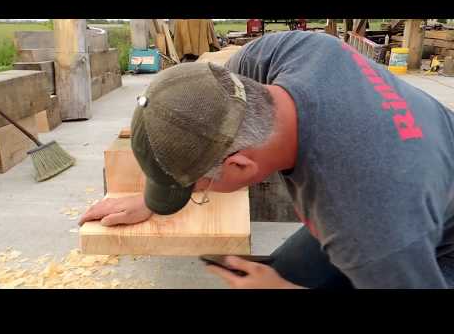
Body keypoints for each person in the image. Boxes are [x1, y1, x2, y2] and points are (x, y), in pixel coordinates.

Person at [79, 30, 454, 289]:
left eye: (199, 189)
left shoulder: (370, 228)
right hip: (417, 171)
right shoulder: (288, 53)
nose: (200, 192)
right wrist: (153, 198)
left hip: (432, 239)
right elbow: (200, 109)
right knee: (273, 272)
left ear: (241, 166)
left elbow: (380, 241)